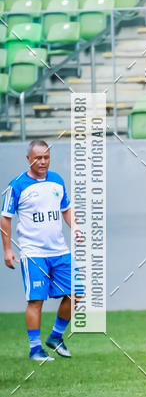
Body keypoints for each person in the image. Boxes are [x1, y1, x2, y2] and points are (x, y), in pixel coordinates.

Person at [1, 140, 78, 360]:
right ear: (28, 159)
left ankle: (56, 336)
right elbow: (5, 218)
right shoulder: (17, 185)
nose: (43, 162)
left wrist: (75, 227)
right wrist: (7, 249)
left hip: (60, 251)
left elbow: (66, 209)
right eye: (38, 158)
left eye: (46, 157)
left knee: (76, 293)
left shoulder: (57, 181)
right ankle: (35, 349)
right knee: (36, 301)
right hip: (33, 253)